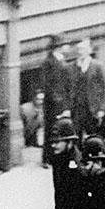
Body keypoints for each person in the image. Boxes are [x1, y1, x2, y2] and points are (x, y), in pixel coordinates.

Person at [40, 34, 74, 165]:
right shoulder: (48, 62)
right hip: (52, 104)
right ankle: (47, 158)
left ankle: (57, 156)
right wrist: (59, 103)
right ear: (57, 47)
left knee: (60, 130)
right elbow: (46, 84)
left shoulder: (62, 60)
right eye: (64, 45)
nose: (67, 47)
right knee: (51, 130)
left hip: (62, 102)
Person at [71, 38, 105, 137]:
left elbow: (104, 89)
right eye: (79, 49)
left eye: (83, 49)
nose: (80, 52)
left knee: (93, 136)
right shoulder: (74, 66)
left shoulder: (97, 66)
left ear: (89, 50)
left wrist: (102, 109)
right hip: (78, 110)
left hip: (93, 109)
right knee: (76, 136)